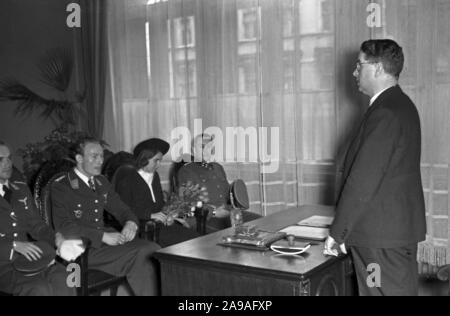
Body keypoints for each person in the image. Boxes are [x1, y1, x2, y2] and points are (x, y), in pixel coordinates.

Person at [324, 39, 426, 296]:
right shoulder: (397, 105)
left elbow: (363, 181)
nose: (354, 72)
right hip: (387, 236)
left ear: (378, 68)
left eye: (359, 65)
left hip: (379, 242)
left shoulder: (386, 112)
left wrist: (337, 233)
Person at [51, 137, 161, 296]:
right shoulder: (62, 186)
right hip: (81, 249)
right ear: (79, 158)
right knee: (146, 252)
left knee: (148, 253)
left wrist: (130, 222)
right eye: (94, 156)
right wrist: (103, 236)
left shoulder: (101, 182)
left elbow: (123, 209)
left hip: (105, 245)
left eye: (101, 156)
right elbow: (64, 227)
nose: (100, 161)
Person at [0, 141, 75, 296]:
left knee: (68, 277)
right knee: (40, 289)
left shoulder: (20, 188)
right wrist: (13, 245)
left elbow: (36, 226)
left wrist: (57, 238)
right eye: (0, 159)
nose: (7, 163)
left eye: (9, 158)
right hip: (3, 266)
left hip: (30, 258)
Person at [114, 138, 200, 247]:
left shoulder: (155, 176)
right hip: (141, 227)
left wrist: (167, 216)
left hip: (159, 225)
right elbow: (123, 209)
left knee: (195, 238)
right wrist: (150, 215)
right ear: (145, 158)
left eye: (160, 160)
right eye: (156, 160)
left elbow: (159, 204)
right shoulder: (128, 177)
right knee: (187, 243)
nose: (159, 164)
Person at [176, 134, 261, 232]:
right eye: (202, 146)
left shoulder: (218, 168)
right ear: (193, 150)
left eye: (209, 146)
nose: (206, 150)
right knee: (233, 233)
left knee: (261, 222)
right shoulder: (187, 170)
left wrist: (238, 202)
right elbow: (187, 202)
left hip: (228, 214)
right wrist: (214, 212)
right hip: (205, 218)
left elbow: (228, 194)